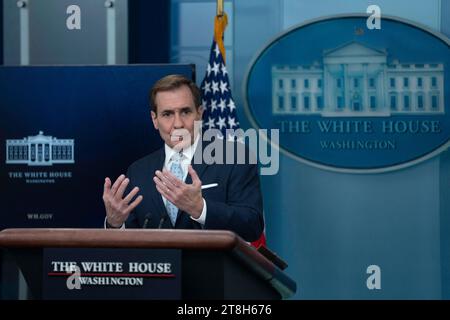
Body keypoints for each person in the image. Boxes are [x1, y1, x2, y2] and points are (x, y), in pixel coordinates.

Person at [102, 74, 264, 242]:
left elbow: (252, 226)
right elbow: (129, 245)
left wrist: (200, 208)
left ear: (199, 114)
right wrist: (115, 224)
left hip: (214, 267)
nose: (178, 124)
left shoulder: (234, 157)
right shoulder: (138, 171)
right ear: (154, 119)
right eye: (167, 114)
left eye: (185, 112)